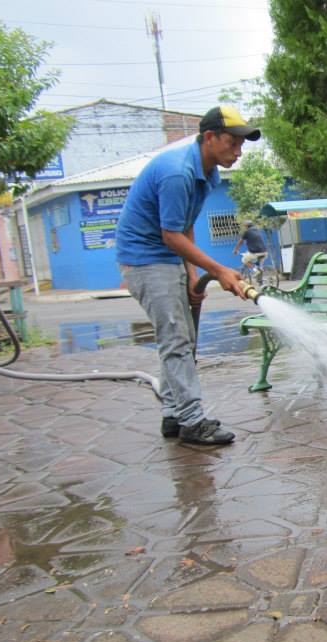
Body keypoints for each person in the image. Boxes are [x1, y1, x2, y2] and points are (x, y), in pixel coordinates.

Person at [115, 106, 259, 445]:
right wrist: (218, 269)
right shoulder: (178, 172)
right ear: (209, 137)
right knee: (177, 338)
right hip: (145, 259)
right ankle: (193, 422)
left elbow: (186, 223)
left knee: (180, 337)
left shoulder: (206, 174)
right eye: (233, 143)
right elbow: (170, 235)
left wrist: (193, 276)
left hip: (167, 256)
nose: (238, 152)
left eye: (242, 145)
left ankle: (173, 415)